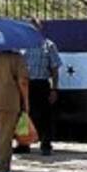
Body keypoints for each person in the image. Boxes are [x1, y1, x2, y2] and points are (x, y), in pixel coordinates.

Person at [21, 17, 62, 155]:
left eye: (34, 27)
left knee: (45, 116)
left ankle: (46, 144)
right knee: (24, 115)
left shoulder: (48, 45)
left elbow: (55, 68)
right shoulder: (20, 46)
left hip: (42, 83)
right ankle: (24, 143)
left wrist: (54, 89)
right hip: (25, 85)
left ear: (40, 28)